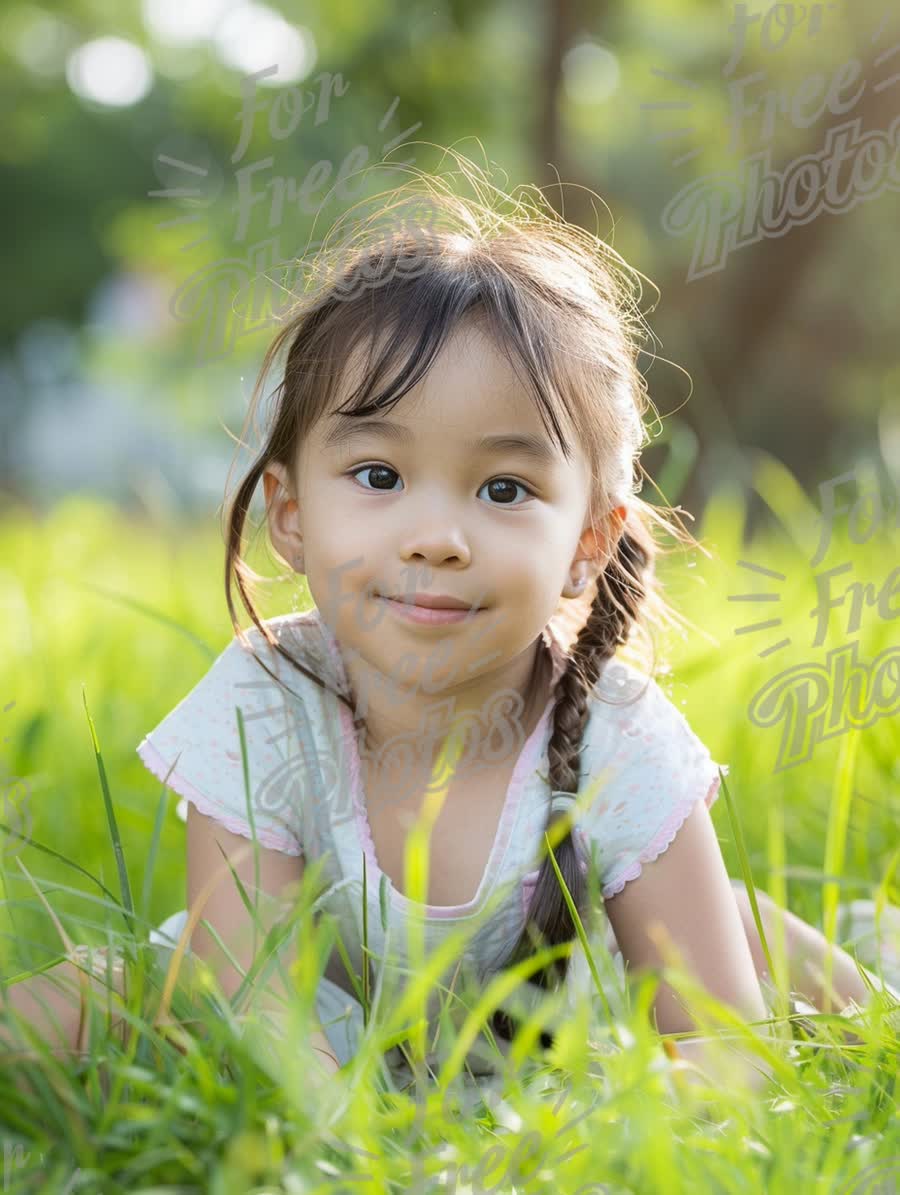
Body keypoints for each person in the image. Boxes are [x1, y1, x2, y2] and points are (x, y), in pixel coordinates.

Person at [3, 157, 898, 1097]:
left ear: (589, 543)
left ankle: (847, 966)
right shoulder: (264, 701)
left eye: (503, 489)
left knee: (790, 985)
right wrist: (351, 1144)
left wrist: (607, 1117)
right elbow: (256, 1011)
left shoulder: (622, 744)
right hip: (311, 1023)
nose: (436, 539)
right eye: (379, 475)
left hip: (556, 1033)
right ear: (291, 511)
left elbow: (727, 1055)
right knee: (97, 992)